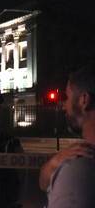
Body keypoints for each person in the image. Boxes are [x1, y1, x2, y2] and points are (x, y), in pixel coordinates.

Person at [39, 64, 95, 208]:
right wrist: (55, 161)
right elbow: (44, 183)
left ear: (84, 100)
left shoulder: (79, 171)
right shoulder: (73, 158)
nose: (64, 105)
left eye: (68, 98)